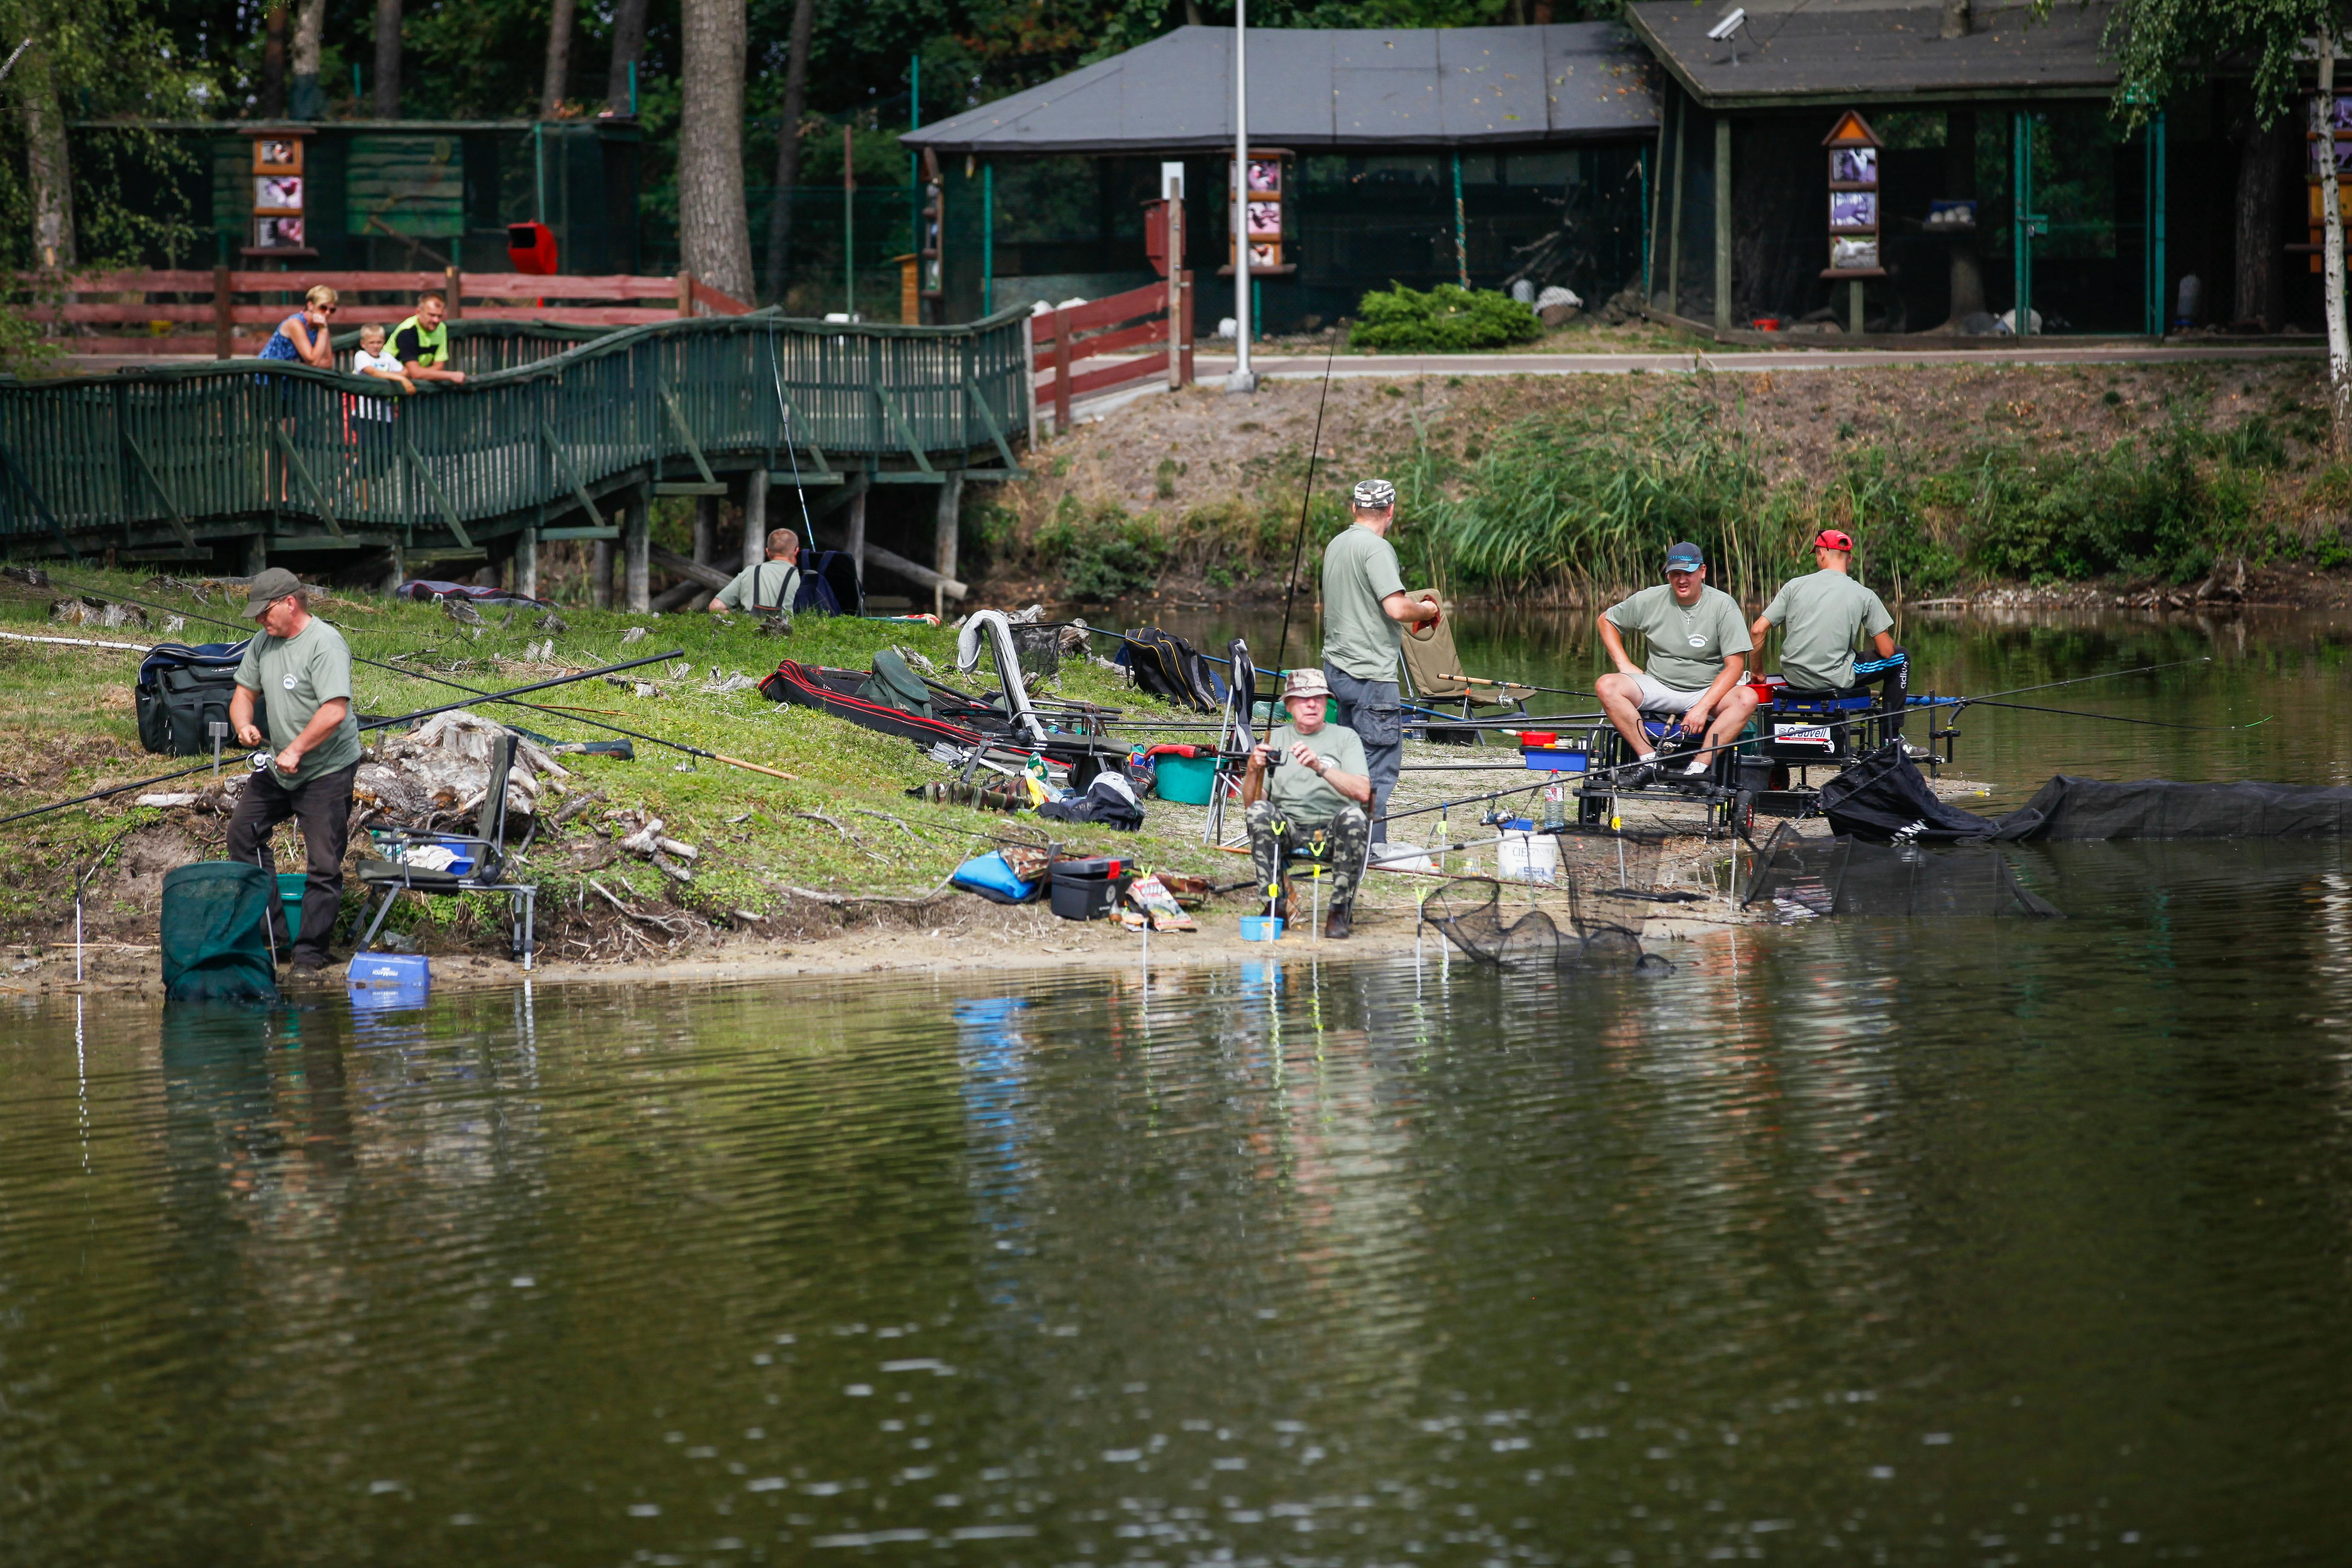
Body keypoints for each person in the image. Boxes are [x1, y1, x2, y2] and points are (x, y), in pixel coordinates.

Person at [226, 568, 365, 974]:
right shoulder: (262, 643)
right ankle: (275, 940)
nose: (260, 621)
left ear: (291, 603)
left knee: (324, 863)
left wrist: (298, 748)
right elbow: (243, 694)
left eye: (265, 612)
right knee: (242, 834)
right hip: (280, 766)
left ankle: (310, 956)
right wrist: (244, 725)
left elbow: (335, 711)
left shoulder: (325, 643)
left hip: (326, 767)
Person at [1319, 477, 1440, 843]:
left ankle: (1343, 838)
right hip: (1372, 678)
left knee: (1348, 764)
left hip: (1337, 672)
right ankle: (1370, 847)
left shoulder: (1336, 544)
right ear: (1391, 511)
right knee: (1376, 769)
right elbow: (1396, 607)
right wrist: (1427, 608)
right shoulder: (1376, 549)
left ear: (1354, 509)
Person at [1595, 541, 1758, 788]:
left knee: (1748, 698)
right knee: (1606, 685)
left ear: (1702, 572)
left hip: (1706, 690)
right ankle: (1650, 762)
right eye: (1675, 574)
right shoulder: (1650, 599)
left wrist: (1703, 708)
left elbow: (1735, 666)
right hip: (1659, 684)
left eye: (1689, 573)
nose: (1682, 580)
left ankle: (1698, 769)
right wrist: (1624, 663)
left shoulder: (1723, 605)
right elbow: (1606, 620)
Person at [1240, 667, 1374, 940]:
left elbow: (1363, 792)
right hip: (1288, 830)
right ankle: (1275, 905)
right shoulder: (1274, 739)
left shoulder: (1346, 738)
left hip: (1332, 831)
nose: (1311, 704)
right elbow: (1253, 804)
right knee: (1259, 812)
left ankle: (1338, 909)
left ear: (1327, 704)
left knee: (1354, 817)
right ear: (1288, 706)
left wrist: (1319, 767)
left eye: (1318, 698)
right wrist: (1253, 770)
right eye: (1302, 698)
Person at [1750, 526, 1905, 729]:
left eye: (1816, 555)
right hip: (1833, 679)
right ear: (1849, 559)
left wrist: (1758, 673)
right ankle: (1891, 741)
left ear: (1821, 553)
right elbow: (1886, 652)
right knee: (1901, 657)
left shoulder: (1793, 586)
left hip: (1794, 678)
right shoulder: (1864, 594)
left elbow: (1757, 630)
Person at [709, 528, 801, 616]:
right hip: (788, 632)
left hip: (749, 631)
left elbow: (715, 607)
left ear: (768, 552)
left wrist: (741, 618)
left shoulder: (750, 572)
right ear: (796, 551)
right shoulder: (802, 577)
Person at [389, 291, 467, 386]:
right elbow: (416, 373)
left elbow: (439, 366)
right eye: (432, 315)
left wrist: (422, 373)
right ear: (418, 312)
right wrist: (451, 375)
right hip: (389, 383)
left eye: (440, 316)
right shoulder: (407, 332)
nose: (436, 320)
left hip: (410, 384)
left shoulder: (441, 328)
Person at [258, 284, 337, 369]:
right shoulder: (295, 324)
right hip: (266, 375)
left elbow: (328, 363)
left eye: (332, 310)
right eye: (323, 308)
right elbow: (313, 361)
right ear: (311, 306)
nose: (328, 313)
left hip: (289, 377)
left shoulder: (322, 327)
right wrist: (323, 331)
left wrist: (323, 330)